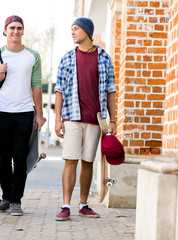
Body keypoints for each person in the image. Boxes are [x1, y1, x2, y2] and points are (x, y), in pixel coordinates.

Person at [0, 15, 46, 216]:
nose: (15, 31)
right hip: (1, 113)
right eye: (12, 28)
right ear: (5, 30)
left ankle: (16, 201)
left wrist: (39, 114)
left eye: (19, 28)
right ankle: (5, 198)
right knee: (3, 158)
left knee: (20, 158)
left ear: (23, 31)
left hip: (24, 113)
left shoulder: (32, 56)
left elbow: (36, 86)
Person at [54, 17, 117, 221]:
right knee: (70, 160)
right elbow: (59, 91)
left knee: (88, 161)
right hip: (71, 117)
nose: (72, 32)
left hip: (95, 119)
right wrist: (57, 119)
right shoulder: (67, 58)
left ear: (87, 32)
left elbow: (110, 91)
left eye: (76, 29)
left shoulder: (104, 58)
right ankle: (65, 205)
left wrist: (113, 120)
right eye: (71, 29)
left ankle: (83, 204)